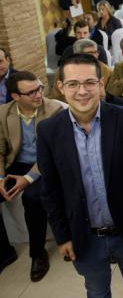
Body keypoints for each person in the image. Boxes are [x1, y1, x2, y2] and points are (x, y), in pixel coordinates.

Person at [38, 54, 123, 298]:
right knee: (97, 291)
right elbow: (50, 190)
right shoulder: (48, 131)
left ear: (101, 85)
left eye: (89, 82)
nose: (82, 91)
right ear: (61, 87)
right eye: (73, 84)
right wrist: (62, 236)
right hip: (84, 236)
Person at [0, 71, 64, 280]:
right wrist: (1, 179)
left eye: (39, 89)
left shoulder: (54, 109)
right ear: (15, 96)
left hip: (45, 165)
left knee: (32, 197)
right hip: (15, 163)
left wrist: (28, 178)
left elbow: (54, 152)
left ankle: (37, 253)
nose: (38, 95)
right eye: (31, 92)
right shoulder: (3, 112)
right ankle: (4, 251)